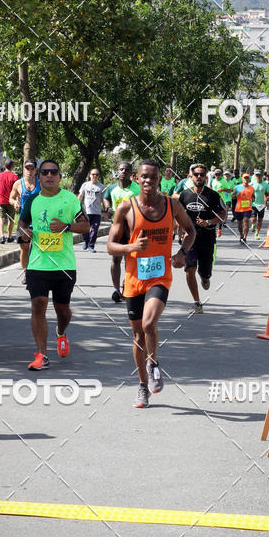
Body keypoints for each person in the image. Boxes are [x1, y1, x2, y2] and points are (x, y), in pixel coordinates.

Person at [107, 159, 195, 408]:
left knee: (148, 323)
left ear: (159, 180)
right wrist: (130, 247)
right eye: (144, 177)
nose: (148, 181)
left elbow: (190, 231)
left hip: (160, 277)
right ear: (137, 178)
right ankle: (143, 385)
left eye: (153, 177)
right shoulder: (125, 208)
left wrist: (181, 253)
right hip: (134, 279)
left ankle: (153, 361)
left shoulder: (172, 205)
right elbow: (110, 246)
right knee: (137, 335)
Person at [17, 159, 89, 370]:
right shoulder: (32, 200)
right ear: (39, 177)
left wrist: (66, 227)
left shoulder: (70, 200)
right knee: (38, 305)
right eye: (44, 172)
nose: (49, 175)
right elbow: (22, 223)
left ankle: (60, 332)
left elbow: (85, 226)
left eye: (53, 172)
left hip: (64, 266)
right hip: (37, 264)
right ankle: (41, 355)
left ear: (59, 176)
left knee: (63, 310)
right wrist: (24, 233)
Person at [178, 164, 226, 313]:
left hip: (207, 239)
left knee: (204, 274)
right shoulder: (184, 195)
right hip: (190, 239)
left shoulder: (213, 195)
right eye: (196, 174)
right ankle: (197, 303)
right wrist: (179, 233)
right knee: (189, 269)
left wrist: (209, 222)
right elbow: (178, 215)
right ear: (191, 176)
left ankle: (205, 277)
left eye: (202, 174)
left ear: (206, 177)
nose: (199, 177)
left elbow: (223, 214)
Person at [103, 162, 140, 302]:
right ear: (117, 171)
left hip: (132, 228)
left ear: (132, 173)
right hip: (117, 227)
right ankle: (116, 289)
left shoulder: (137, 188)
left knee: (130, 259)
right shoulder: (112, 188)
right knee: (115, 259)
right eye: (121, 169)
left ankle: (127, 285)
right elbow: (106, 198)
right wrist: (107, 208)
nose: (123, 171)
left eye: (127, 169)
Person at [10, 159, 40, 282]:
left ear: (36, 170)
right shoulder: (18, 184)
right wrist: (14, 203)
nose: (29, 171)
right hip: (24, 221)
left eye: (32, 169)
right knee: (24, 247)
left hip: (39, 220)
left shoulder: (41, 183)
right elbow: (10, 198)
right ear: (24, 169)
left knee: (39, 248)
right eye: (27, 168)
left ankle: (39, 271)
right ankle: (26, 272)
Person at [78, 168, 105, 252]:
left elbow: (104, 199)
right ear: (90, 175)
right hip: (86, 211)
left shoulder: (101, 186)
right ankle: (86, 241)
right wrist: (76, 207)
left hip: (97, 212)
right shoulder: (85, 185)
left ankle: (91, 246)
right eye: (93, 174)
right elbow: (80, 196)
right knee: (85, 229)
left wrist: (105, 210)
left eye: (97, 175)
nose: (95, 176)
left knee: (95, 229)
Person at [0, 158, 19, 244]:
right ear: (12, 167)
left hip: (0, 200)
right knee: (11, 219)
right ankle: (9, 236)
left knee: (1, 218)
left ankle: (1, 236)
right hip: (11, 201)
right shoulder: (15, 177)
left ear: (4, 166)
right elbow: (17, 191)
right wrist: (17, 201)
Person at [233, 173, 255, 243]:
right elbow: (232, 197)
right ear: (242, 179)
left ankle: (245, 237)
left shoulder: (251, 188)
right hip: (238, 208)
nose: (246, 179)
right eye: (244, 178)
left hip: (247, 208)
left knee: (246, 222)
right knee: (239, 224)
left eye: (247, 178)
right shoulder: (237, 187)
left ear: (249, 179)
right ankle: (241, 235)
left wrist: (253, 199)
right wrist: (236, 195)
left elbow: (253, 196)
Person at [250, 169, 269, 238]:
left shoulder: (265, 184)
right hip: (254, 204)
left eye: (259, 175)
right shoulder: (252, 183)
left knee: (260, 220)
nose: (258, 176)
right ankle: (253, 224)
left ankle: (257, 233)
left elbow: (268, 194)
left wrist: (266, 199)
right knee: (253, 219)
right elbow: (247, 190)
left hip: (261, 205)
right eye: (257, 175)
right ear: (256, 176)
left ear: (262, 176)